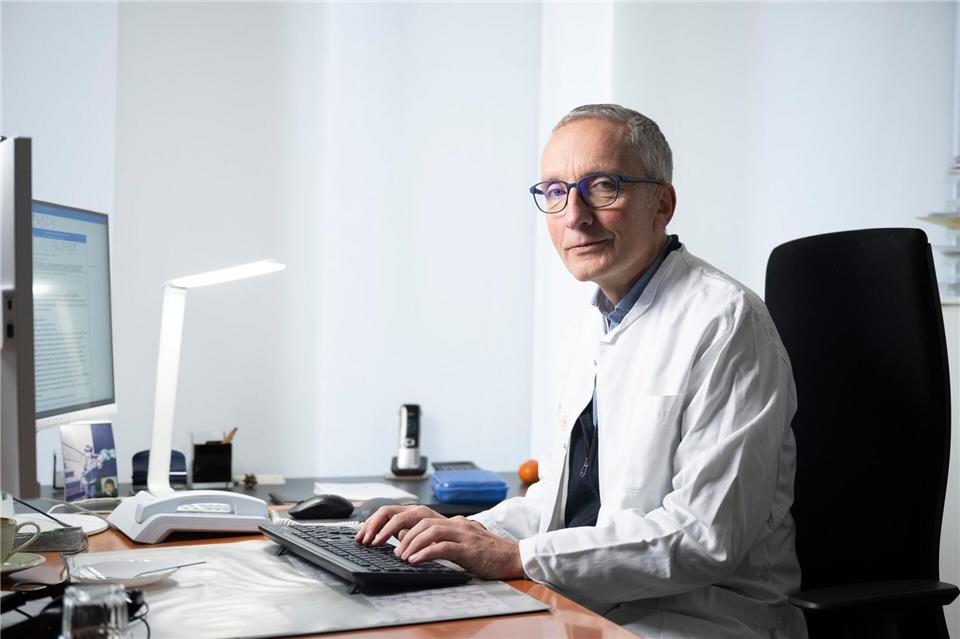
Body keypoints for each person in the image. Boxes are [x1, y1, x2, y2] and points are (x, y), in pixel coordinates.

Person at [357, 104, 807, 639]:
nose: (574, 215)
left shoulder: (726, 321)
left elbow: (703, 537)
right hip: (585, 606)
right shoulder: (589, 329)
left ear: (662, 204)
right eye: (554, 191)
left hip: (699, 620)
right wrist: (466, 530)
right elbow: (558, 502)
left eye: (603, 186)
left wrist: (514, 555)